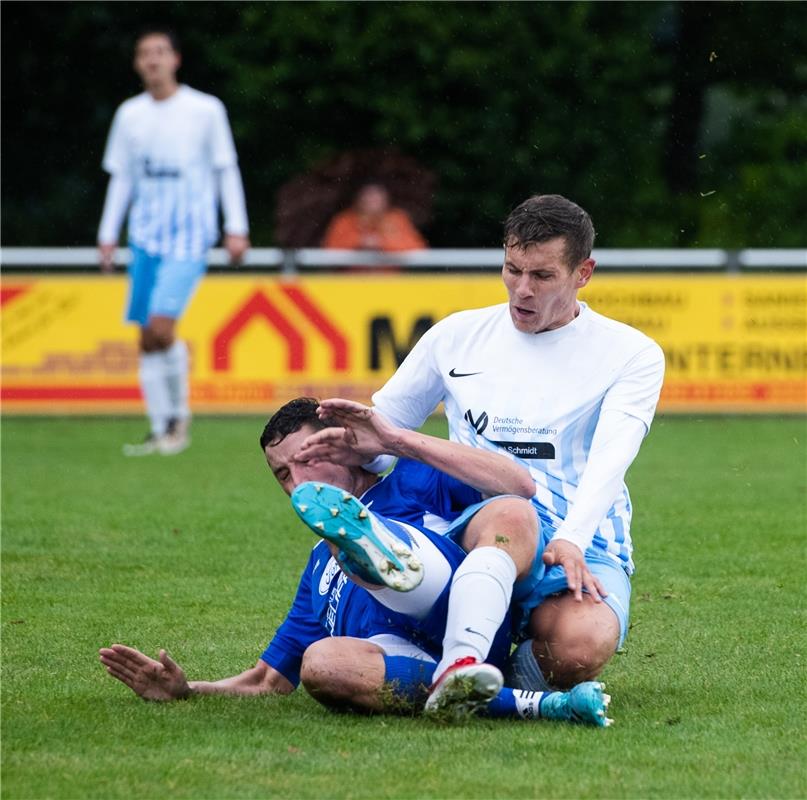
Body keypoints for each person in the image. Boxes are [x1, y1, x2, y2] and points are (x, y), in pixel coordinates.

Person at [300, 194, 666, 697]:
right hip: (474, 528)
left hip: (580, 540)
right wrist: (333, 450)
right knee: (508, 516)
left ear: (583, 273)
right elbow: (382, 442)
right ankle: (461, 660)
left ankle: (498, 687)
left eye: (542, 276)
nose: (522, 290)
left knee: (583, 644)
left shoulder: (631, 353)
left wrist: (574, 538)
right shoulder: (455, 336)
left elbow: (612, 458)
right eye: (512, 270)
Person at [100, 399, 612, 726]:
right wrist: (186, 690)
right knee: (323, 662)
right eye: (283, 475)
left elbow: (517, 484)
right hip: (405, 659)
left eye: (307, 460)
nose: (298, 483)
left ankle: (383, 554)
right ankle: (490, 694)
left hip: (466, 604)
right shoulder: (315, 570)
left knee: (508, 514)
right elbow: (267, 681)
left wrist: (399, 441)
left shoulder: (414, 478)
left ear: (341, 443)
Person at [97, 27, 250, 456]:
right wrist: (108, 233)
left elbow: (225, 168)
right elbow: (122, 177)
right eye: (144, 53)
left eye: (160, 52)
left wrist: (235, 225)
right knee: (146, 337)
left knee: (161, 327)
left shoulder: (205, 110)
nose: (152, 60)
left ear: (176, 59)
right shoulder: (130, 114)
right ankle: (159, 428)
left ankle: (178, 421)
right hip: (144, 237)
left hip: (189, 236)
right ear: (136, 62)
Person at [321, 184, 427, 253]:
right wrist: (359, 242)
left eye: (376, 199)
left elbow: (417, 248)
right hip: (351, 280)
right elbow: (329, 248)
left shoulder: (397, 219)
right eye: (368, 199)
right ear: (358, 200)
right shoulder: (344, 220)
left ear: (386, 201)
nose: (372, 203)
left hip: (390, 280)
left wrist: (382, 243)